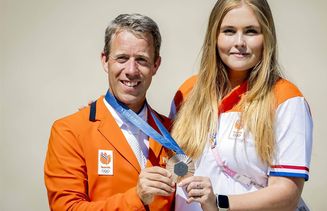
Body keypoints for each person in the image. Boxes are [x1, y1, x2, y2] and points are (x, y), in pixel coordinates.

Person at [170, 0, 313, 210]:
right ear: (214, 36)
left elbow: (287, 195)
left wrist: (219, 203)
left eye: (251, 31)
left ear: (267, 37)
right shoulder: (188, 92)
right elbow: (177, 166)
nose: (239, 42)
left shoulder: (286, 98)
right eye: (229, 31)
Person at [44, 14, 175, 210]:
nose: (131, 70)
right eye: (122, 58)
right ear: (105, 61)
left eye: (142, 59)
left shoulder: (172, 133)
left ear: (156, 65)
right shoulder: (70, 131)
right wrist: (136, 198)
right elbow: (67, 208)